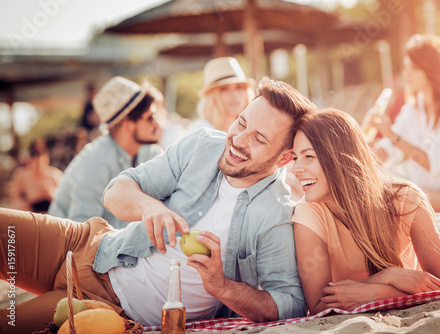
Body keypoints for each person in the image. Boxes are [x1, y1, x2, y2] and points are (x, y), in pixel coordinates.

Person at [0, 77, 316, 333]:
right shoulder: (204, 144)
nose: (238, 139)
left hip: (106, 307)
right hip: (88, 244)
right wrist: (149, 207)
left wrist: (224, 287)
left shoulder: (275, 213)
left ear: (285, 157)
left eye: (259, 139)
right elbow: (117, 190)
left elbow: (291, 303)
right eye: (241, 122)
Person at [290, 108, 440, 315]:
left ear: (340, 158)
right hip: (406, 279)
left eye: (308, 156)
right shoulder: (307, 213)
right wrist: (386, 278)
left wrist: (372, 291)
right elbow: (320, 305)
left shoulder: (405, 198)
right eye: (295, 158)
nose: (295, 170)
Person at [369, 34, 440, 215]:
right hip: (422, 193)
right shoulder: (413, 108)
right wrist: (361, 159)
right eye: (405, 67)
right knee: (373, 195)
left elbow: (431, 162)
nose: (406, 74)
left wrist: (390, 134)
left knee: (396, 199)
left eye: (413, 68)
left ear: (432, 71)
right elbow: (389, 149)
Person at [48, 76, 163, 228]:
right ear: (127, 124)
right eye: (150, 117)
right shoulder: (95, 161)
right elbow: (83, 233)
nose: (157, 123)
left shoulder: (151, 152)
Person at [189, 57, 255, 133]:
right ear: (212, 97)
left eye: (239, 87)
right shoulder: (201, 131)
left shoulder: (253, 130)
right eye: (224, 89)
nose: (234, 94)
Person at [8, 138, 63, 213]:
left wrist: (51, 193)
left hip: (52, 216)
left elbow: (65, 202)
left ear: (47, 158)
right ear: (30, 159)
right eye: (35, 157)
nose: (39, 165)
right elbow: (13, 203)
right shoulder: (21, 176)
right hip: (30, 216)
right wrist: (30, 199)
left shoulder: (55, 174)